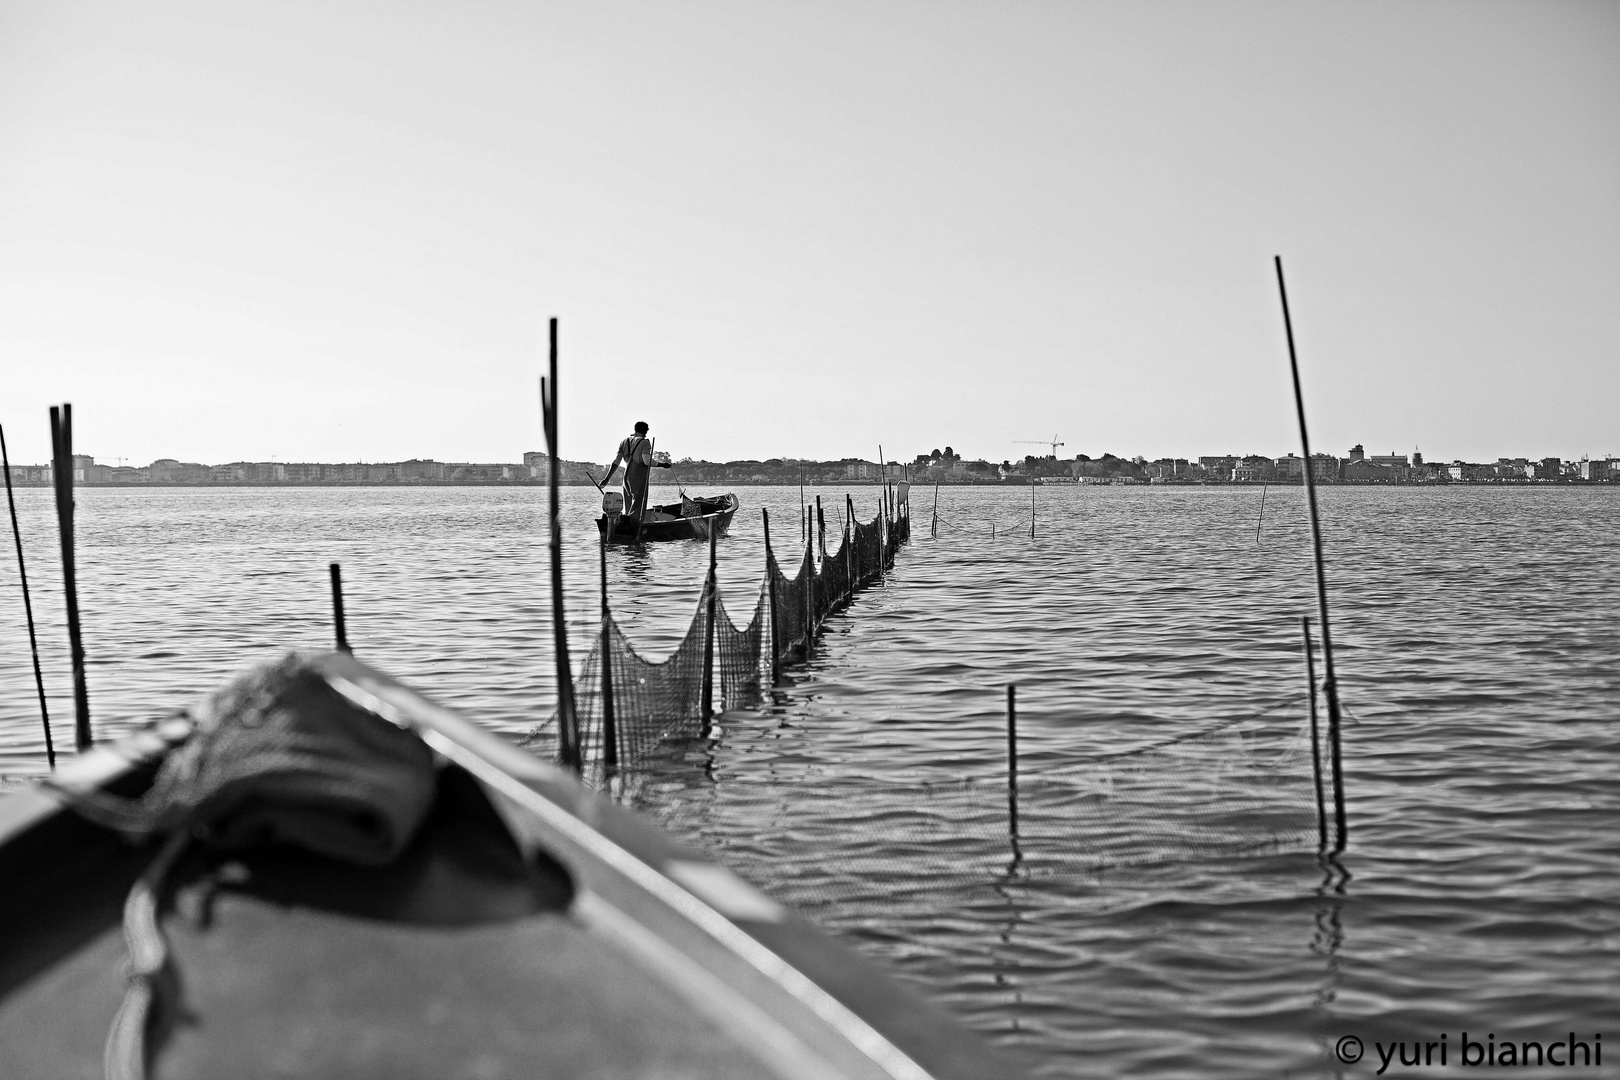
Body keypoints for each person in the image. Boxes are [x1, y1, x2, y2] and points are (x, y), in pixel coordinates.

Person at [606, 421, 671, 519]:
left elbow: (616, 462)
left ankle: (625, 521)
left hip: (626, 479)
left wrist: (607, 479)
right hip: (638, 478)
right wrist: (662, 464)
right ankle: (634, 525)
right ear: (645, 431)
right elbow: (647, 461)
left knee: (628, 505)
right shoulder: (644, 442)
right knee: (637, 505)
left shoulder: (624, 442)